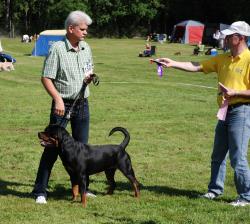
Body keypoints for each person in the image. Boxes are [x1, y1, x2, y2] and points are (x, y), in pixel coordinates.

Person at [158, 21, 250, 207]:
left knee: (237, 157)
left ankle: (246, 196)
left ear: (239, 38)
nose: (224, 38)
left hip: (241, 111)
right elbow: (197, 66)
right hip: (224, 111)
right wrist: (173, 63)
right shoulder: (223, 59)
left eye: (229, 35)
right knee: (217, 155)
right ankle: (214, 190)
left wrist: (235, 92)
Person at [32, 10, 96, 204]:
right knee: (51, 149)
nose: (85, 33)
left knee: (81, 151)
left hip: (82, 104)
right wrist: (58, 99)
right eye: (83, 29)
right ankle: (40, 191)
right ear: (71, 28)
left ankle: (83, 188)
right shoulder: (57, 48)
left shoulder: (86, 48)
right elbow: (46, 78)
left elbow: (88, 70)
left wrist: (89, 78)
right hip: (62, 106)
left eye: (86, 29)